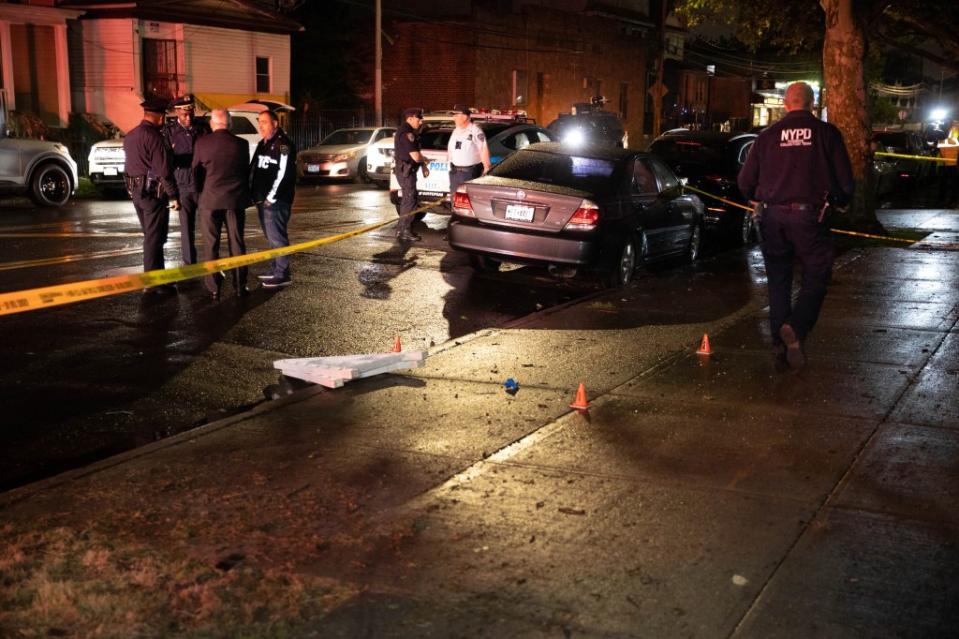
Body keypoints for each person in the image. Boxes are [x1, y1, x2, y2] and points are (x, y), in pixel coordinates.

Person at [737, 81, 853, 370]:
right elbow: (846, 183)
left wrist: (758, 198)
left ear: (786, 104)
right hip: (810, 217)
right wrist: (840, 200)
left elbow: (745, 183)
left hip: (773, 217)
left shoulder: (767, 136)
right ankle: (796, 327)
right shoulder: (827, 134)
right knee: (817, 274)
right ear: (812, 104)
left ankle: (780, 344)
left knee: (778, 280)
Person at [123, 97, 180, 294]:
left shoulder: (130, 136)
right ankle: (152, 282)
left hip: (136, 192)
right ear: (160, 116)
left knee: (151, 235)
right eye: (164, 115)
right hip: (153, 194)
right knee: (154, 238)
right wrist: (173, 196)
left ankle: (160, 278)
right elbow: (163, 170)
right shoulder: (155, 137)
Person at [192, 109, 250, 299]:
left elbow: (195, 173)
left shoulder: (202, 144)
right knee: (237, 243)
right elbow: (244, 171)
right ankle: (240, 285)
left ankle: (214, 287)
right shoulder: (242, 144)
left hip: (210, 200)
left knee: (211, 244)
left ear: (212, 123)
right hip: (234, 200)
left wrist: (202, 192)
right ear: (229, 123)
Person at [250, 110, 296, 288]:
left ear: (275, 124)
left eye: (265, 122)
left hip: (276, 202)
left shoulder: (284, 144)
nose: (261, 125)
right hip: (263, 200)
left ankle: (282, 274)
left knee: (277, 238)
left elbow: (284, 172)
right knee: (271, 238)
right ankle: (275, 269)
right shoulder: (263, 143)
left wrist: (271, 196)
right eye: (259, 122)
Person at [162, 94, 210, 265]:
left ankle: (211, 264)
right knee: (186, 230)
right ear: (177, 112)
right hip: (183, 187)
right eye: (184, 115)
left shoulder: (203, 129)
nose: (188, 118)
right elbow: (165, 164)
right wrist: (172, 193)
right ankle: (190, 265)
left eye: (191, 114)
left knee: (209, 229)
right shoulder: (169, 132)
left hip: (203, 185)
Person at [393, 107, 430, 242]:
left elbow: (415, 155)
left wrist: (423, 165)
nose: (420, 122)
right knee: (410, 201)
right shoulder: (407, 133)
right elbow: (415, 156)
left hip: (406, 169)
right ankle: (404, 231)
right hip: (406, 170)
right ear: (410, 118)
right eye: (418, 119)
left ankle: (402, 230)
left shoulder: (407, 131)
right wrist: (425, 160)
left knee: (409, 199)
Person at [447, 104, 491, 200]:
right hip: (455, 172)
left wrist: (486, 167)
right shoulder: (456, 130)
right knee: (454, 200)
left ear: (465, 116)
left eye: (456, 115)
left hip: (468, 173)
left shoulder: (475, 131)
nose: (454, 118)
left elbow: (483, 149)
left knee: (467, 201)